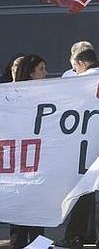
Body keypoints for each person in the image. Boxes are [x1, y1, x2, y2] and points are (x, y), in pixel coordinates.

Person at [55, 49, 99, 249]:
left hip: (86, 146)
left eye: (74, 66)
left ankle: (75, 236)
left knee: (82, 194)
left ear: (81, 63)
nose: (74, 70)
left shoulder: (79, 81)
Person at [9, 54, 47, 249]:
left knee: (38, 219)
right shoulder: (11, 95)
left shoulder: (49, 95)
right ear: (31, 73)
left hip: (39, 164)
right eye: (41, 69)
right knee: (20, 218)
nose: (45, 73)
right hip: (19, 164)